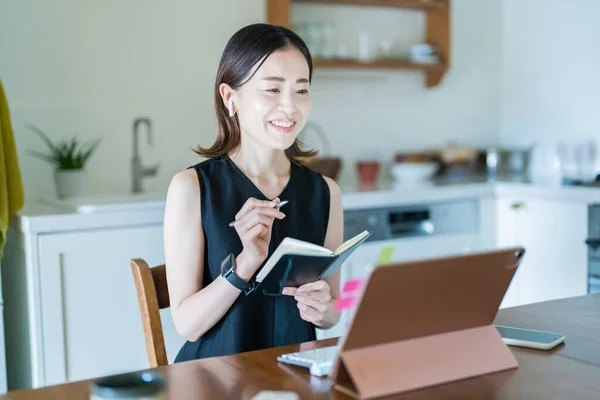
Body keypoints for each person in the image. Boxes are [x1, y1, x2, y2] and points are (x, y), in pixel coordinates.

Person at [163, 23, 344, 362]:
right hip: (214, 380)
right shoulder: (191, 189)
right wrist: (245, 263)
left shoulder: (325, 192)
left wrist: (323, 310)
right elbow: (187, 325)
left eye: (301, 90)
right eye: (272, 89)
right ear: (230, 98)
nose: (290, 107)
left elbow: (334, 310)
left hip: (297, 375)